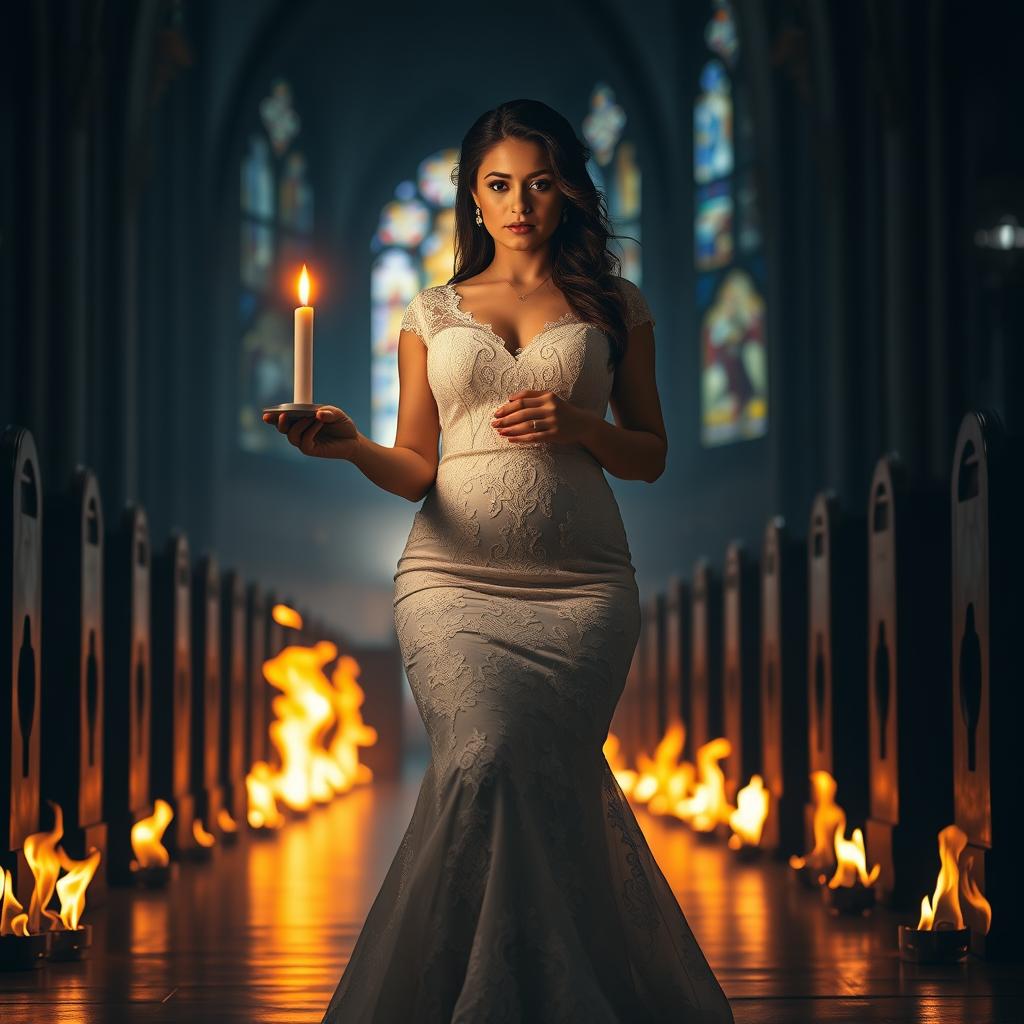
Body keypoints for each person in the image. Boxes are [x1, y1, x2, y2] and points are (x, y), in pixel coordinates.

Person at [265, 97, 734, 1024]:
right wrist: (351, 446)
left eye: (541, 182)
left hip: (584, 590)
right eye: (498, 184)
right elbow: (415, 470)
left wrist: (580, 425)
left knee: (540, 773)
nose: (519, 202)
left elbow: (653, 453)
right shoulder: (431, 312)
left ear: (567, 191)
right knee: (486, 761)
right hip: (451, 582)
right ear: (471, 198)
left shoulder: (614, 305)